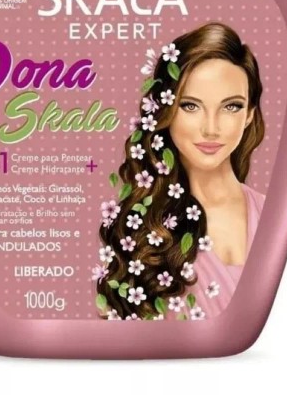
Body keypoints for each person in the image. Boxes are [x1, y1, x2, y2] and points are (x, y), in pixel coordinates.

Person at [95, 22, 266, 321]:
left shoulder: (274, 213)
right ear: (165, 111)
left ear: (250, 114)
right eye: (190, 106)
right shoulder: (142, 227)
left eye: (231, 107)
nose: (211, 128)